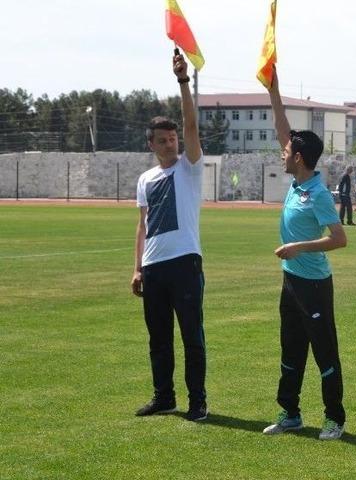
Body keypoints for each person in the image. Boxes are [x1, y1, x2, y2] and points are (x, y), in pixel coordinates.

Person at [262, 67, 348, 441]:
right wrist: (274, 90)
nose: (282, 153)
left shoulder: (319, 193)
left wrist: (298, 247)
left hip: (314, 283)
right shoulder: (297, 181)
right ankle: (290, 413)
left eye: (287, 151)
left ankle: (334, 419)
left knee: (324, 353)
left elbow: (339, 239)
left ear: (298, 158)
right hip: (290, 281)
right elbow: (284, 132)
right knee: (291, 350)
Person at [132, 51, 208, 422]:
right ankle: (164, 397)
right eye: (163, 140)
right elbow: (142, 225)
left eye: (173, 138)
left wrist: (183, 81)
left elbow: (192, 128)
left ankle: (198, 401)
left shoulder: (189, 168)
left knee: (192, 336)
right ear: (151, 144)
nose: (171, 144)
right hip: (155, 266)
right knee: (158, 339)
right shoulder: (146, 180)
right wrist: (138, 268)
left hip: (185, 262)